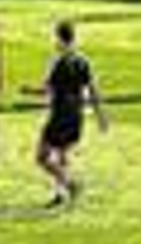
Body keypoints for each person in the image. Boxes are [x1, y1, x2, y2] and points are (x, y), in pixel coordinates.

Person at [35, 20, 109, 206]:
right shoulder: (83, 61)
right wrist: (101, 116)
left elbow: (46, 90)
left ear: (59, 39)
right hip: (76, 116)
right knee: (63, 155)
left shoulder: (57, 62)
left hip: (59, 115)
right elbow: (93, 91)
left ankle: (70, 184)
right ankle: (60, 193)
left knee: (42, 157)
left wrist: (28, 91)